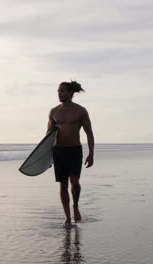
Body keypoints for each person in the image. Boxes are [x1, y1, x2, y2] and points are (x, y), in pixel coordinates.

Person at [47, 80, 94, 227]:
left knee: (75, 182)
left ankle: (75, 206)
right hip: (59, 151)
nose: (59, 94)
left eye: (62, 91)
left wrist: (91, 154)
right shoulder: (54, 112)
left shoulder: (80, 111)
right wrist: (45, 157)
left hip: (74, 149)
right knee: (62, 185)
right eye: (58, 91)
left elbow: (89, 133)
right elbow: (48, 134)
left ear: (70, 92)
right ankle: (67, 217)